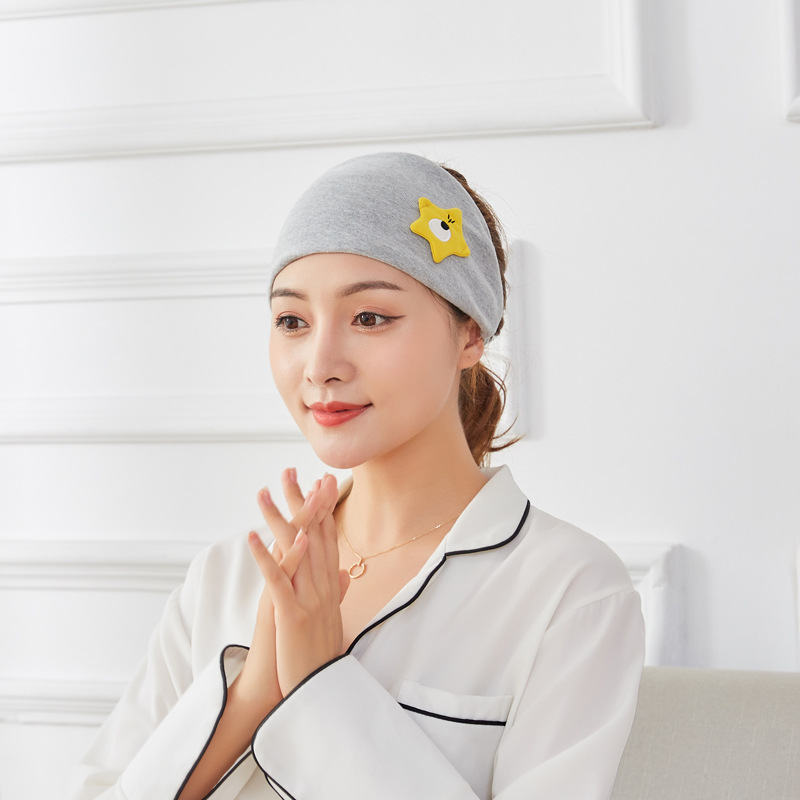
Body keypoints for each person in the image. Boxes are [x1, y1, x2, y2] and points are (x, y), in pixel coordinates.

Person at [69, 152, 645, 800]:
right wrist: (254, 691)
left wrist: (320, 684)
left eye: (370, 317)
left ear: (469, 335)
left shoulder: (570, 592)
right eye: (292, 321)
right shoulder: (224, 578)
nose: (320, 365)